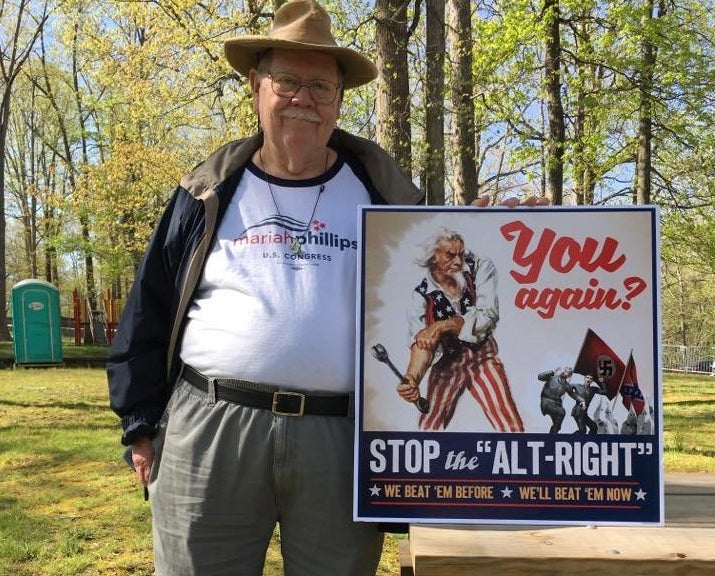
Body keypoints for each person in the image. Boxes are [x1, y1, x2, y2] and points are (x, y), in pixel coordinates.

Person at [107, 1, 423, 575]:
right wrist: (139, 420)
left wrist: (509, 229)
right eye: (287, 81)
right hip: (210, 429)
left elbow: (453, 274)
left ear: (339, 100)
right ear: (256, 86)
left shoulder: (385, 194)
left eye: (320, 87)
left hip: (342, 437)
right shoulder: (206, 191)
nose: (303, 99)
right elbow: (148, 308)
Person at [396, 229, 524, 432]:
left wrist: (441, 326)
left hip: (482, 356)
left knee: (510, 426)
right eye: (450, 255)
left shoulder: (480, 267)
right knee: (429, 428)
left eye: (461, 254)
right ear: (433, 257)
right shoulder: (420, 297)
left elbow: (487, 316)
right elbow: (422, 344)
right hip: (447, 363)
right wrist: (412, 379)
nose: (458, 262)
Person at [538, 366, 577, 433]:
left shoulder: (566, 385)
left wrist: (582, 401)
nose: (564, 372)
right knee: (562, 412)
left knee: (557, 425)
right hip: (547, 402)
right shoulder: (552, 377)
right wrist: (551, 372)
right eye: (564, 370)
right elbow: (540, 377)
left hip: (555, 405)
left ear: (569, 376)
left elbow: (573, 394)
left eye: (567, 372)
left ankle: (552, 436)